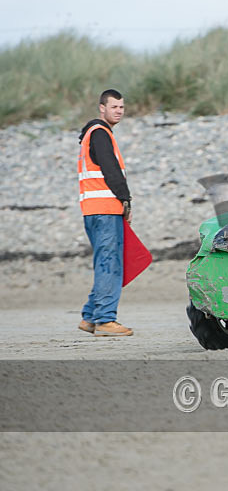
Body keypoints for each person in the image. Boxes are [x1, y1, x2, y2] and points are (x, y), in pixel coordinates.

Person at [77, 89, 133, 337]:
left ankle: (90, 317)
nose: (119, 111)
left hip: (94, 210)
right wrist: (125, 200)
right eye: (114, 107)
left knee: (105, 262)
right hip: (105, 210)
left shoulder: (95, 134)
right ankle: (104, 320)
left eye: (121, 107)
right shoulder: (100, 133)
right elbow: (111, 171)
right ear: (102, 108)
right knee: (110, 264)